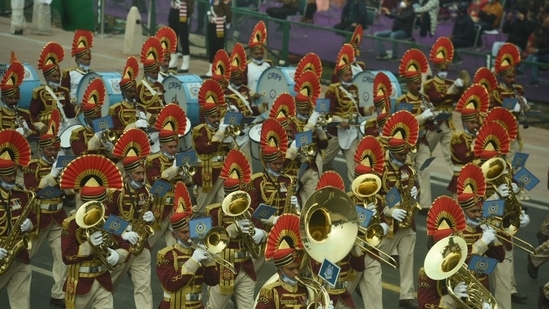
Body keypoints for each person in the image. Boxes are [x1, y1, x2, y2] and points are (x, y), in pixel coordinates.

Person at [58, 155, 130, 309]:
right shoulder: (70, 224)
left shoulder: (109, 220)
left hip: (103, 282)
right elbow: (66, 256)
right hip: (79, 284)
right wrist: (88, 246)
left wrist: (119, 255)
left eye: (101, 203)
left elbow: (125, 244)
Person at [107, 129, 155, 309]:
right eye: (138, 174)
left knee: (144, 286)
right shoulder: (117, 193)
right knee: (108, 284)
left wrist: (152, 217)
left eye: (143, 173)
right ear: (128, 175)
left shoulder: (146, 191)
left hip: (141, 246)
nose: (142, 177)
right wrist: (124, 232)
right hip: (120, 245)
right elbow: (105, 219)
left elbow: (147, 214)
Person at [378, 110, 420, 309]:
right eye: (402, 154)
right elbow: (373, 195)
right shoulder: (381, 168)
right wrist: (389, 211)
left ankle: (406, 295)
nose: (406, 156)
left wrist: (414, 192)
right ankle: (359, 281)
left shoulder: (407, 167)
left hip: (406, 220)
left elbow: (415, 185)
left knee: (408, 254)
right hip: (387, 220)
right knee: (376, 258)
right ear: (393, 151)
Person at [23, 131, 69, 308]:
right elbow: (34, 192)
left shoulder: (63, 163)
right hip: (37, 219)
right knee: (23, 257)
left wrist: (67, 183)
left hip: (57, 218)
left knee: (62, 256)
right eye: (49, 149)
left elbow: (70, 195)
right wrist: (52, 177)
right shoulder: (32, 166)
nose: (53, 153)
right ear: (41, 148)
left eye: (56, 149)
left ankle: (58, 294)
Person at [255, 214, 334, 309]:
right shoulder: (271, 292)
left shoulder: (305, 290)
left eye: (297, 267)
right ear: (279, 271)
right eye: (291, 269)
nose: (296, 272)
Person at [157, 194, 220, 309]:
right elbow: (170, 284)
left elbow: (213, 281)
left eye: (190, 231)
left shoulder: (198, 251)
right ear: (174, 235)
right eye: (184, 232)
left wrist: (209, 262)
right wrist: (193, 260)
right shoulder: (166, 255)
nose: (189, 235)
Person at [323, 44, 373, 183]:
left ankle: (356, 193)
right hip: (335, 133)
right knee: (323, 161)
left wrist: (369, 110)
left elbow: (358, 109)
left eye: (351, 74)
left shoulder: (354, 89)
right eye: (346, 75)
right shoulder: (332, 90)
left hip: (351, 132)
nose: (350, 77)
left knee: (355, 165)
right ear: (339, 76)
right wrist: (339, 121)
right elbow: (326, 113)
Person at [0, 130, 37, 309]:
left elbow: (33, 218)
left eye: (14, 175)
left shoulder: (22, 195)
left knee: (22, 302)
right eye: (9, 176)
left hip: (19, 256)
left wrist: (30, 224)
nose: (14, 179)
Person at [145, 104, 190, 247]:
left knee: (176, 246)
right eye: (170, 147)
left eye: (175, 146)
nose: (173, 150)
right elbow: (157, 187)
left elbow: (189, 182)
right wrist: (174, 168)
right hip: (159, 209)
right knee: (147, 245)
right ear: (161, 145)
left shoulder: (179, 158)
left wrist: (185, 173)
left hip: (177, 209)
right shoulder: (153, 161)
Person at [395, 49, 433, 212]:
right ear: (409, 84)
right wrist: (423, 117)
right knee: (406, 173)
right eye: (416, 84)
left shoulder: (425, 100)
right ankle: (403, 200)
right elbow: (405, 122)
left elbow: (428, 122)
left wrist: (432, 116)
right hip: (407, 144)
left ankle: (425, 205)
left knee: (424, 169)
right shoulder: (402, 102)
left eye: (420, 83)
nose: (419, 86)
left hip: (422, 141)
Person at [423, 37, 464, 175]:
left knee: (452, 155)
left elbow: (456, 99)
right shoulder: (429, 84)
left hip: (448, 122)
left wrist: (461, 89)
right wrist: (453, 89)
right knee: (426, 152)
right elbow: (437, 98)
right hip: (435, 122)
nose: (444, 68)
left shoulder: (449, 82)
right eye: (441, 65)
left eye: (445, 65)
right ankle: (417, 177)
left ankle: (456, 183)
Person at [491, 43, 529, 163]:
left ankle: (516, 180)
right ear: (502, 77)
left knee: (518, 159)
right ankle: (507, 179)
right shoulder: (497, 91)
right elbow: (500, 107)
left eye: (513, 77)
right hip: (502, 132)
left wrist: (524, 104)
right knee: (506, 160)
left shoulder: (518, 89)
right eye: (509, 77)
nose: (512, 80)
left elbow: (525, 108)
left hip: (515, 131)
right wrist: (514, 106)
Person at [447, 84, 487, 195]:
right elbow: (464, 157)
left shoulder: (480, 137)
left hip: (477, 181)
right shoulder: (458, 139)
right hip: (461, 181)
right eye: (472, 123)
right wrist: (476, 146)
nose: (475, 126)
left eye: (477, 123)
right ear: (465, 123)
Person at [30, 42, 78, 134]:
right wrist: (41, 126)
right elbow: (32, 115)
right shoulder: (40, 93)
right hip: (47, 129)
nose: (57, 79)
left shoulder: (64, 91)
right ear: (46, 77)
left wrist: (77, 108)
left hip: (62, 127)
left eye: (58, 76)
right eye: (54, 76)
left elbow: (69, 112)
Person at [69, 79, 115, 157]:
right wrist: (96, 138)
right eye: (93, 119)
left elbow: (116, 157)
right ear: (86, 118)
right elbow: (82, 156)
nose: (96, 121)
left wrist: (109, 147)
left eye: (98, 118)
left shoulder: (106, 132)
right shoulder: (78, 134)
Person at [109, 56, 151, 138]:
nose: (133, 94)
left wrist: (146, 122)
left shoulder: (142, 108)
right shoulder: (115, 109)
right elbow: (115, 131)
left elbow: (152, 126)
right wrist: (134, 125)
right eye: (130, 92)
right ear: (123, 92)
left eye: (134, 91)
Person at [0, 60, 39, 137]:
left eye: (16, 98)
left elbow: (36, 134)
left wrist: (29, 132)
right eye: (10, 98)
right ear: (2, 100)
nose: (14, 101)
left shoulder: (25, 113)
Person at [61, 30, 94, 104]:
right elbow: (63, 94)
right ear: (77, 60)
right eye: (85, 59)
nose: (87, 62)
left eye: (89, 59)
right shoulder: (69, 73)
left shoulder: (92, 75)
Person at [137, 37, 166, 116]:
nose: (156, 75)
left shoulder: (160, 86)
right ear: (147, 72)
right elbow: (135, 106)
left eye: (157, 73)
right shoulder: (139, 87)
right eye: (153, 73)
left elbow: (163, 103)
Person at [519, 16, 549, 87]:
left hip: (546, 54)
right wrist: (534, 48)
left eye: (545, 24)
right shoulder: (543, 32)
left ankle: (521, 71)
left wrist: (537, 51)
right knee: (533, 57)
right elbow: (541, 44)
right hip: (542, 53)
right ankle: (534, 80)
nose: (543, 26)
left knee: (534, 57)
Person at [205, 0, 231, 77]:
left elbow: (228, 11)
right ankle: (211, 69)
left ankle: (220, 68)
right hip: (212, 23)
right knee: (211, 47)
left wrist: (227, 21)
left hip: (219, 24)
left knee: (219, 47)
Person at [244, 21, 271, 94]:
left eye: (261, 53)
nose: (259, 55)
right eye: (256, 54)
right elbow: (242, 87)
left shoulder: (268, 65)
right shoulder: (247, 67)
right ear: (251, 53)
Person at [167, 0, 194, 73]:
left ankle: (186, 63)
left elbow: (191, 3)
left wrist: (188, 12)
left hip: (183, 9)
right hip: (173, 8)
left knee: (183, 38)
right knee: (172, 36)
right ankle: (173, 60)